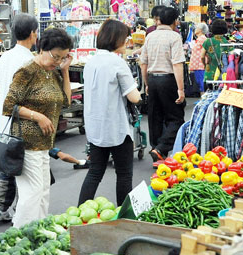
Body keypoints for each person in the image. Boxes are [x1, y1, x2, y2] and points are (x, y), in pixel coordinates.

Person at [3, 28, 73, 228]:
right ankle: (19, 236)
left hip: (45, 144)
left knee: (42, 191)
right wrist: (38, 116)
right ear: (42, 48)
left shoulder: (53, 73)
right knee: (31, 193)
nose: (58, 62)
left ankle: (38, 232)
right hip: (27, 142)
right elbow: (9, 105)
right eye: (55, 56)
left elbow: (66, 101)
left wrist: (65, 71)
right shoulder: (27, 71)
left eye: (62, 58)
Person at [78, 20, 141, 207]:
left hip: (95, 126)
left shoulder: (90, 62)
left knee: (95, 172)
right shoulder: (117, 63)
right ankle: (123, 216)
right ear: (116, 39)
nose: (126, 41)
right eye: (125, 38)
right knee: (123, 174)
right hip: (117, 127)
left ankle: (80, 212)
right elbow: (134, 97)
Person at [0, 13, 38, 221]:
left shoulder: (6, 57)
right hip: (22, 121)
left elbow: (0, 87)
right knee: (22, 168)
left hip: (5, 119)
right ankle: (19, 211)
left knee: (8, 164)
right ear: (32, 33)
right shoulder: (29, 60)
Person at [140, 6, 186, 162]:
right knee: (176, 117)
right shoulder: (174, 37)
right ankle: (161, 148)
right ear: (174, 21)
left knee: (155, 117)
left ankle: (157, 152)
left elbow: (143, 63)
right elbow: (177, 64)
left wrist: (146, 83)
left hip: (152, 79)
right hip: (168, 79)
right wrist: (181, 89)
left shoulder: (150, 36)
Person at [189, 22, 208, 95]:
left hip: (200, 65)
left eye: (197, 28)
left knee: (201, 82)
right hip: (197, 65)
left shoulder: (202, 39)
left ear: (200, 30)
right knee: (199, 82)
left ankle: (203, 98)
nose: (195, 29)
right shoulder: (199, 39)